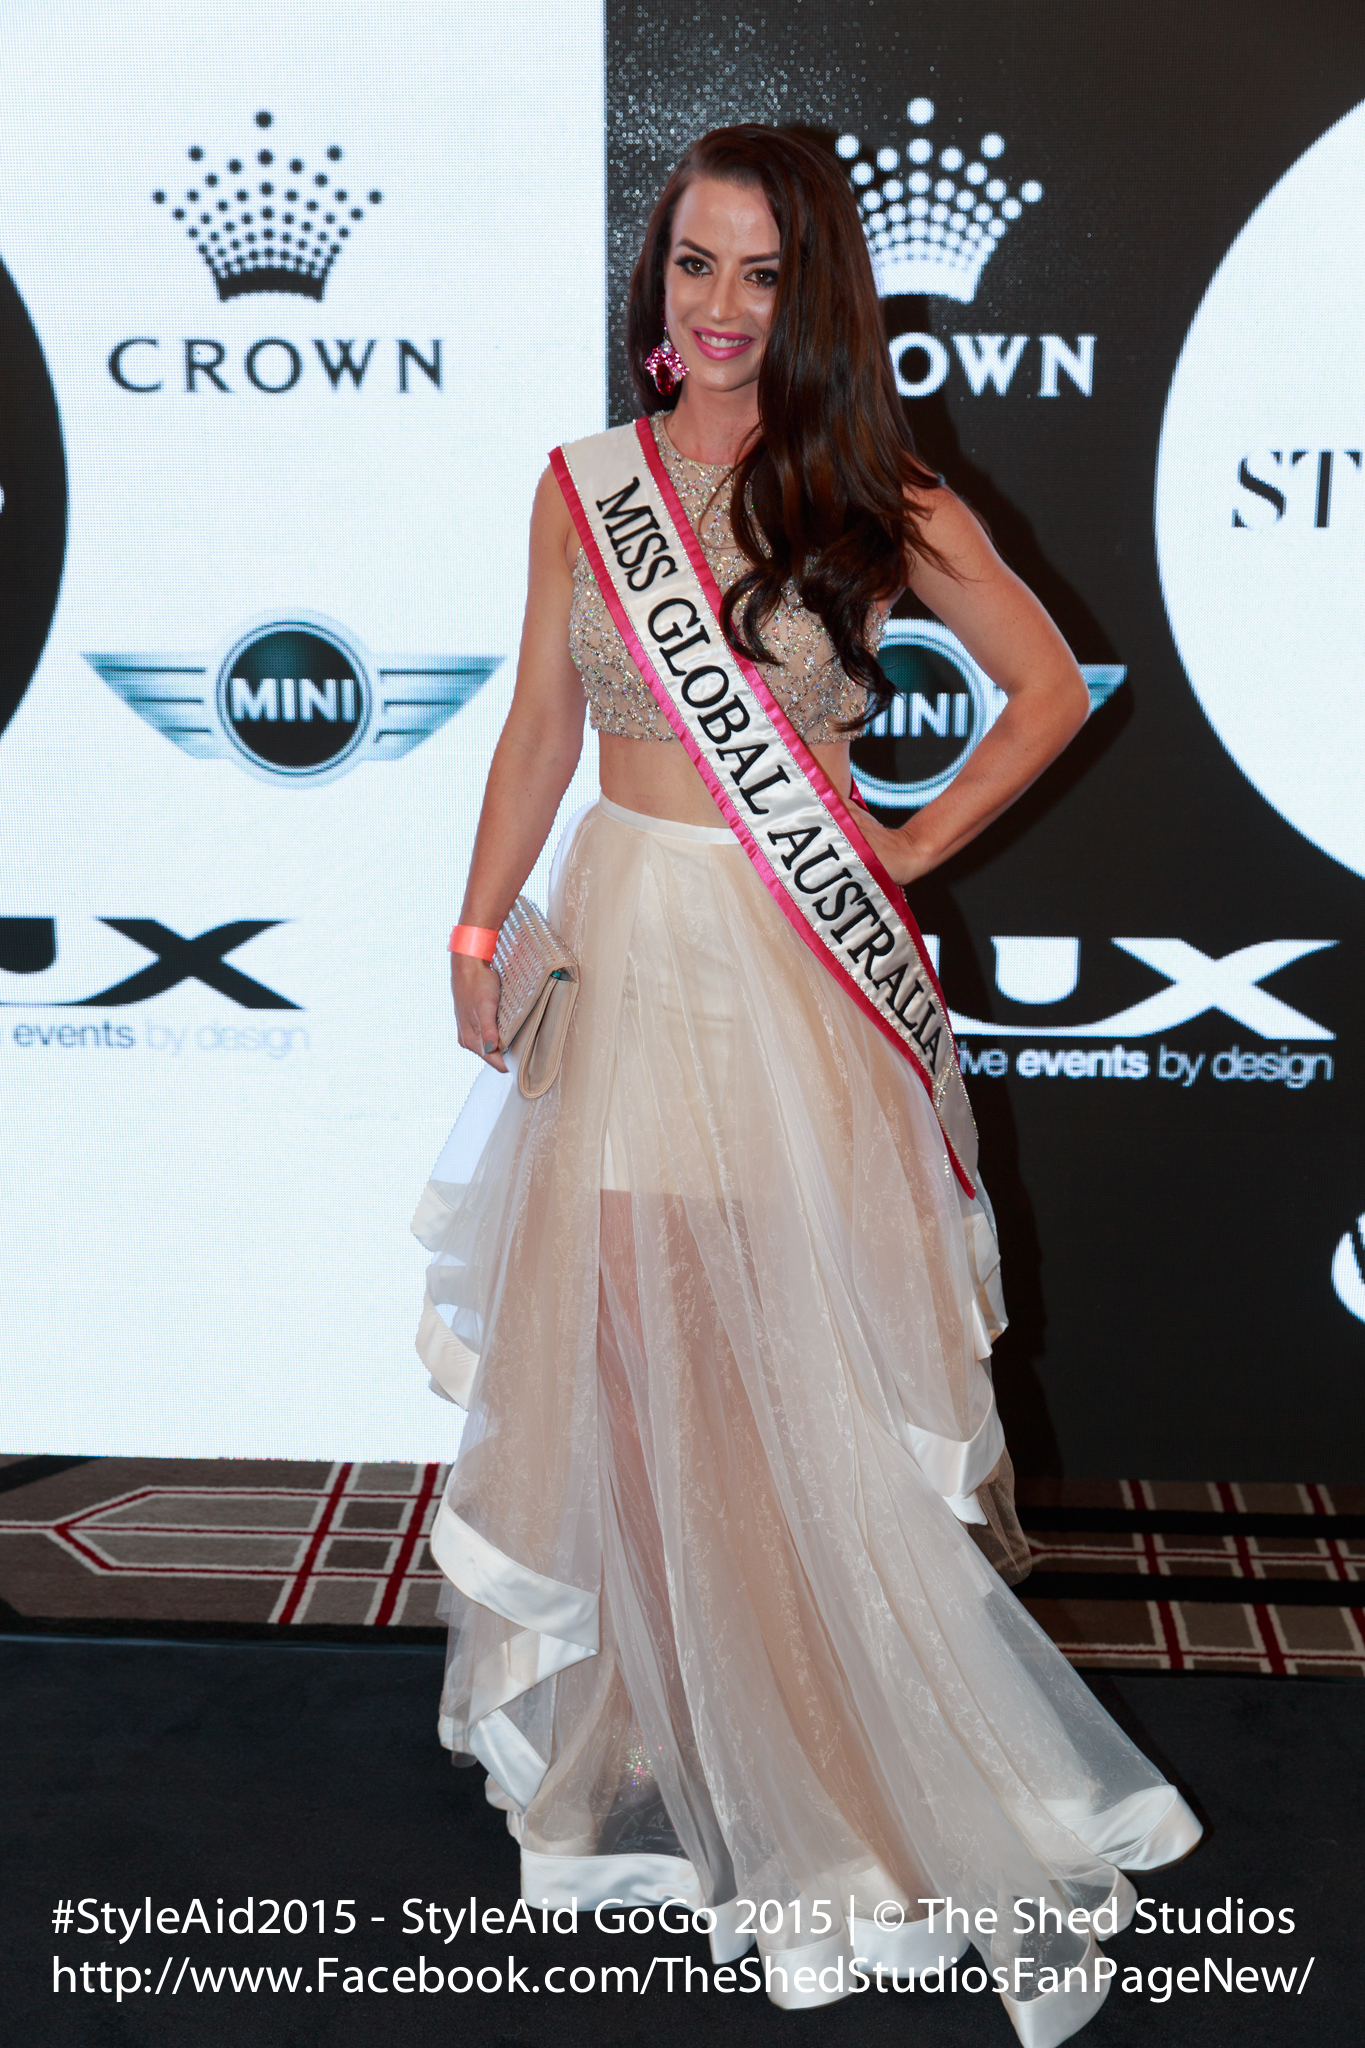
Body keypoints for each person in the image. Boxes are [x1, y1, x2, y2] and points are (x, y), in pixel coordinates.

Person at [413, 125, 1199, 2045]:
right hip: (615, 952)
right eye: (694, 265)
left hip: (787, 967)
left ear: (810, 292)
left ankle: (825, 1784)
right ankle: (685, 1737)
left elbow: (1046, 685)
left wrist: (905, 850)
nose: (721, 307)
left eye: (761, 274)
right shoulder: (583, 486)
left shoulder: (868, 485)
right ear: (654, 278)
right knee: (627, 1368)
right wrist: (475, 925)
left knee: (778, 1386)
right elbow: (538, 719)